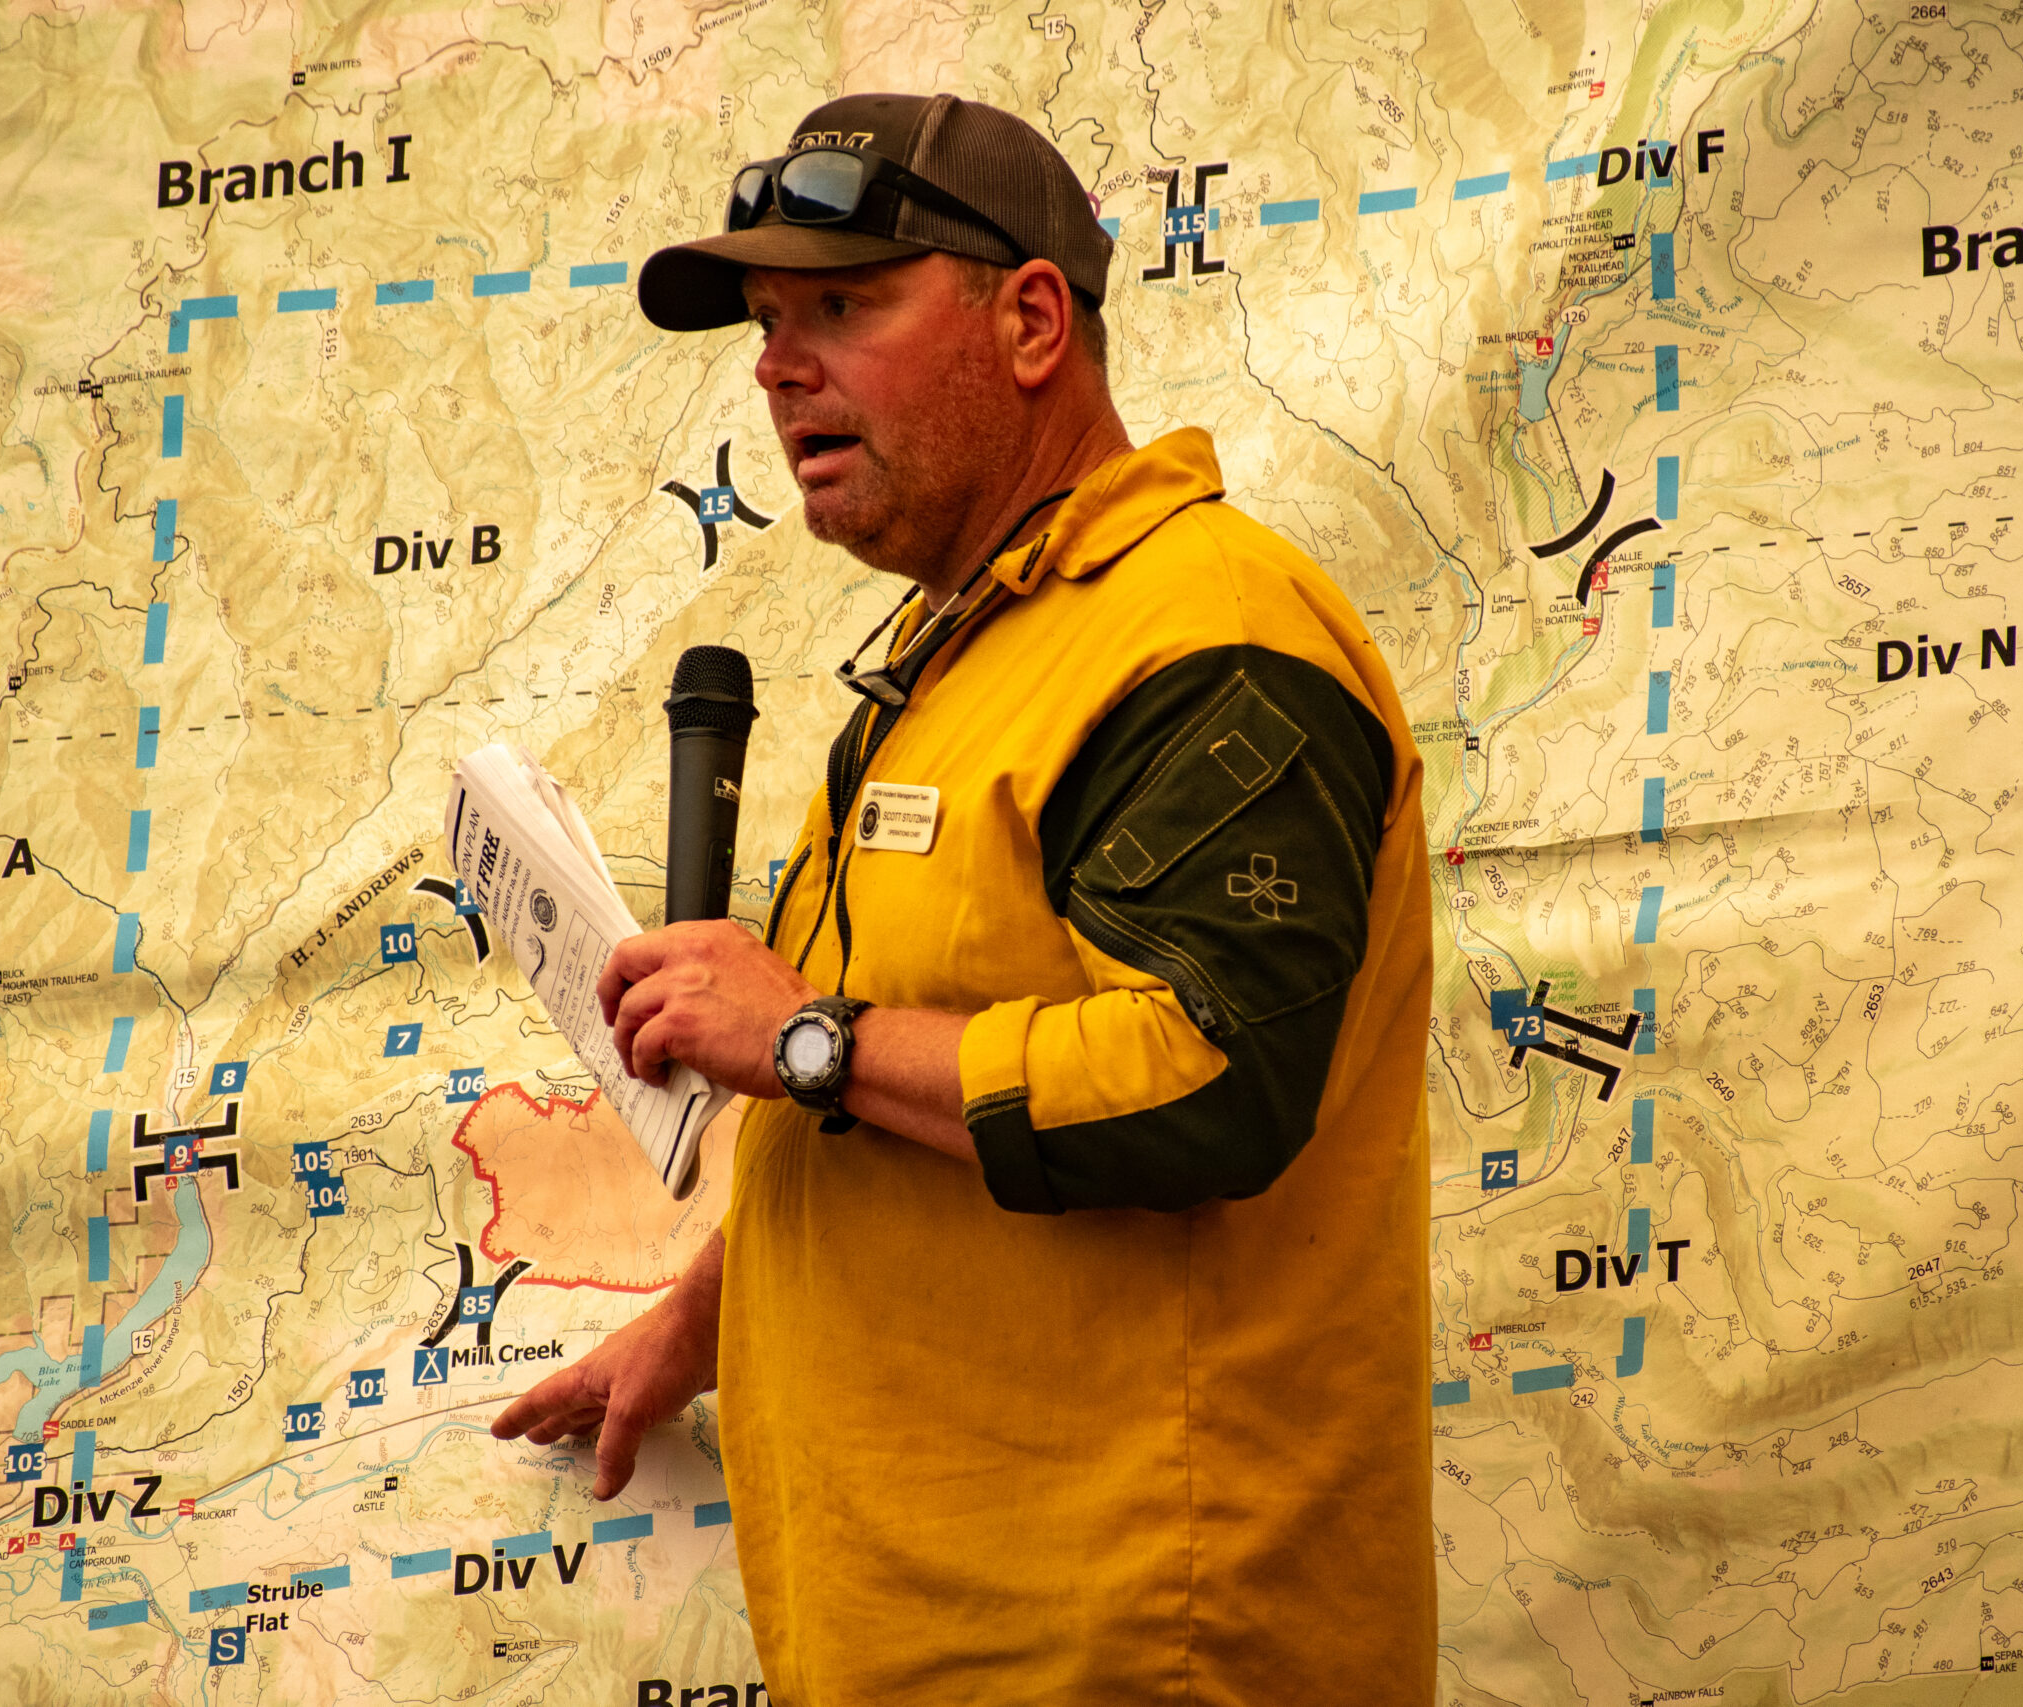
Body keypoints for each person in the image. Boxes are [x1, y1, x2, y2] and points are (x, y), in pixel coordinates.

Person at [493, 92, 1435, 1703]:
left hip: (1138, 1648)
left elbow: (1204, 1080)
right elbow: (940, 1054)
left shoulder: (1203, 639)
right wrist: (722, 1305)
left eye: (844, 307)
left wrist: (802, 1043)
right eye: (770, 325)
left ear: (1030, 321)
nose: (783, 367)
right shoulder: (974, 654)